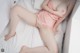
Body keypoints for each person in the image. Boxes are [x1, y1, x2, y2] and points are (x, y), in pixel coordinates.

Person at [5, 0, 76, 53]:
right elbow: (43, 5)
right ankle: (12, 32)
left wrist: (55, 27)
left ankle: (26, 50)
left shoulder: (72, 2)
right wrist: (55, 13)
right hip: (38, 17)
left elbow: (63, 17)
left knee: (54, 51)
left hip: (46, 26)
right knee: (15, 9)